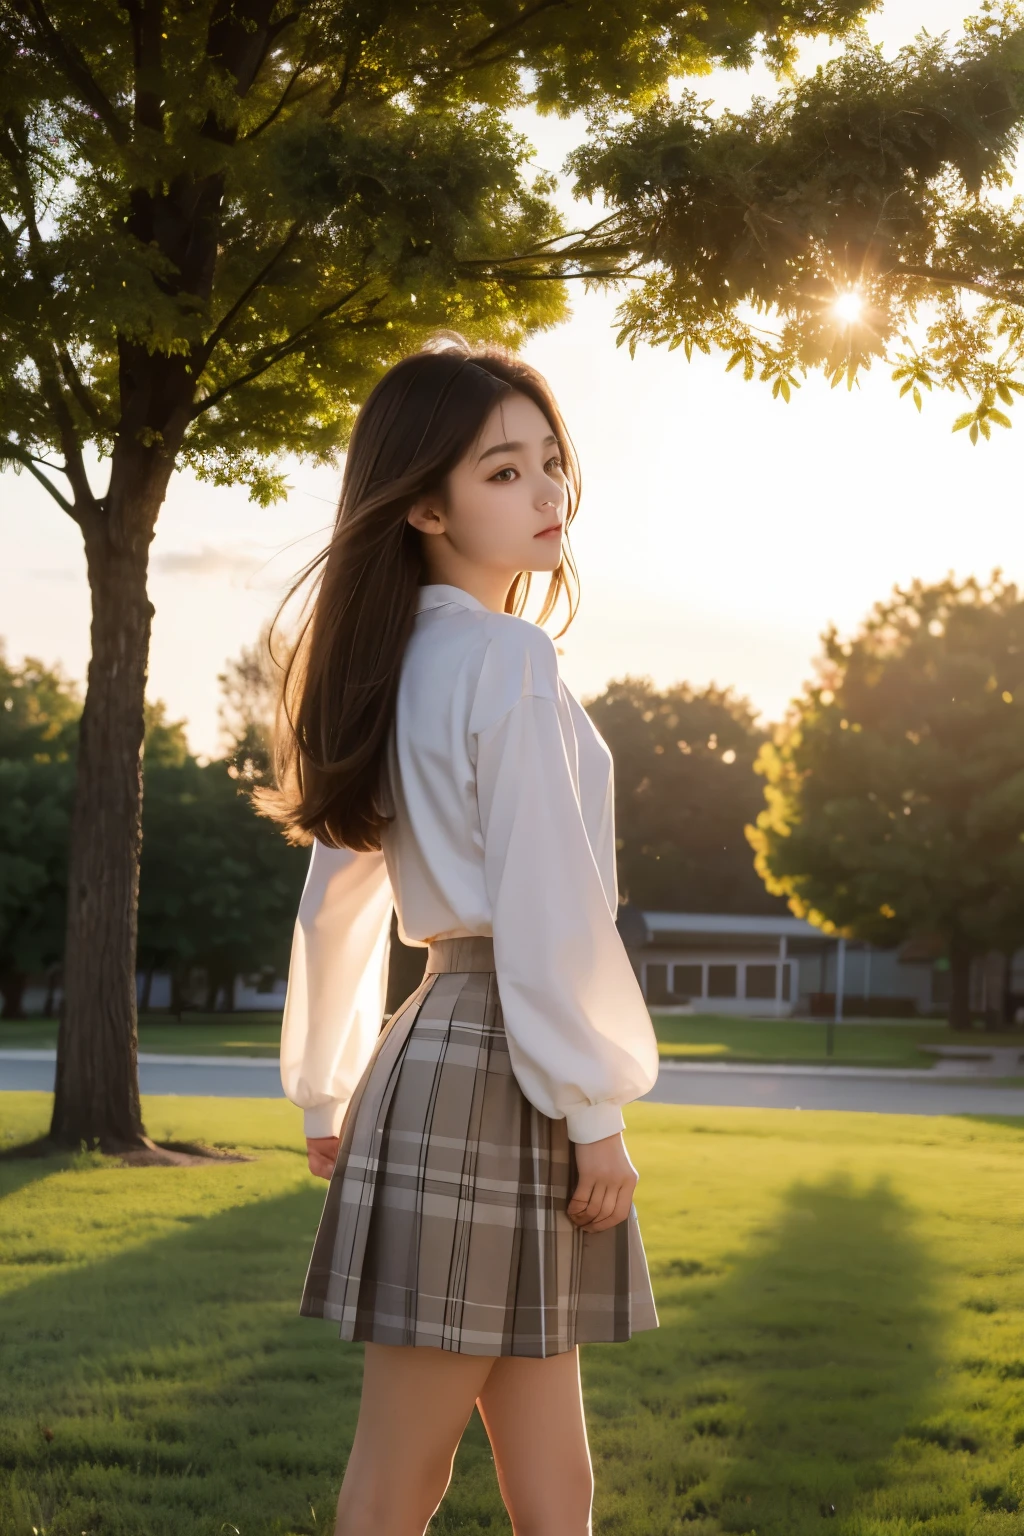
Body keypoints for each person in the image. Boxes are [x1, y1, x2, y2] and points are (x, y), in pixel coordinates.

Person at [260, 332, 661, 1536]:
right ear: (424, 505)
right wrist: (597, 1114)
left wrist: (326, 1091)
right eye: (502, 473)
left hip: (434, 1050)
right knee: (404, 1472)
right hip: (512, 1062)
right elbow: (549, 905)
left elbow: (335, 899)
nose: (546, 495)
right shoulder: (506, 657)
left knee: (553, 1486)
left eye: (550, 464)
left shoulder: (384, 664)